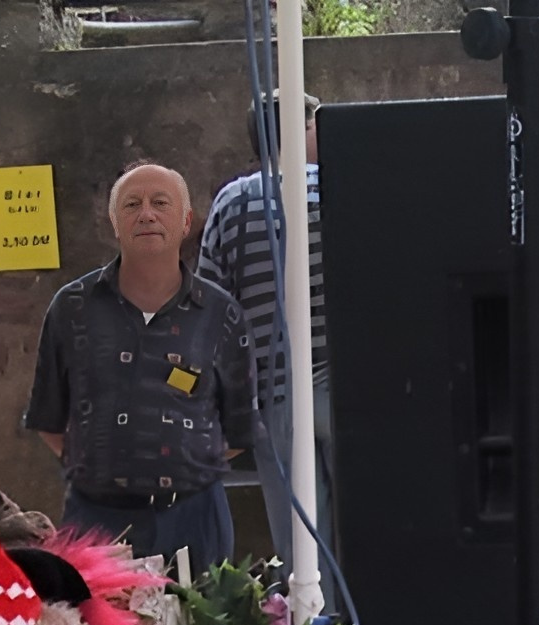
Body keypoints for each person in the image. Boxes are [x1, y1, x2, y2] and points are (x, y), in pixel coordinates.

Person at [25, 162, 254, 572]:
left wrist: (180, 469)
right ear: (115, 223)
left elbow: (238, 428)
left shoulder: (220, 314)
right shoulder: (71, 309)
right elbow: (48, 417)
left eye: (160, 203)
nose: (146, 213)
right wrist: (106, 468)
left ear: (185, 222)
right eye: (132, 204)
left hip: (195, 519)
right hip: (98, 522)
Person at [198, 96, 328, 571]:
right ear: (299, 130)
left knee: (303, 553)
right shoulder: (340, 185)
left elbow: (211, 309)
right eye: (317, 123)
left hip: (274, 397)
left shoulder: (231, 203)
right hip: (345, 388)